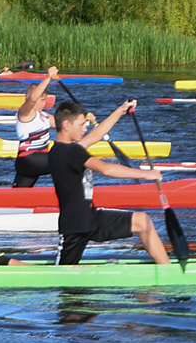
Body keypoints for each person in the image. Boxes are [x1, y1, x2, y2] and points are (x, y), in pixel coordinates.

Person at [48, 100, 171, 266]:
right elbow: (106, 169)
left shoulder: (63, 149)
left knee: (143, 221)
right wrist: (146, 174)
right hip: (74, 226)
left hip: (91, 218)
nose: (85, 128)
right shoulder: (70, 152)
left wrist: (121, 110)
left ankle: (166, 269)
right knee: (59, 275)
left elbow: (95, 136)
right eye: (82, 124)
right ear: (66, 125)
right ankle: (5, 260)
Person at [11, 68, 60, 187]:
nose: (44, 103)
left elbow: (64, 125)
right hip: (30, 158)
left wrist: (83, 117)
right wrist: (48, 78)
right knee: (68, 160)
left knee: (17, 197)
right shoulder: (25, 113)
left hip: (30, 163)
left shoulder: (44, 115)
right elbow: (32, 99)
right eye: (42, 100)